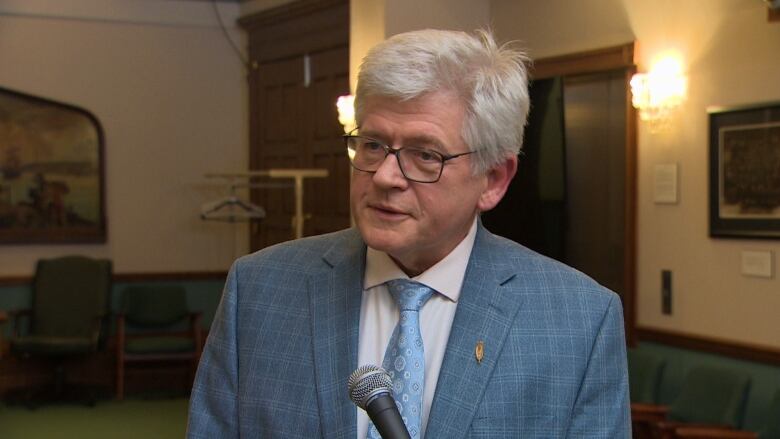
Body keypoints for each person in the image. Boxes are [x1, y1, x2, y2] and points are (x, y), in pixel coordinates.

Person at [187, 28, 630, 438]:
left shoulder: (577, 320)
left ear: (493, 179)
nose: (384, 176)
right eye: (373, 144)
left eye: (424, 155)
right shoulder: (261, 290)